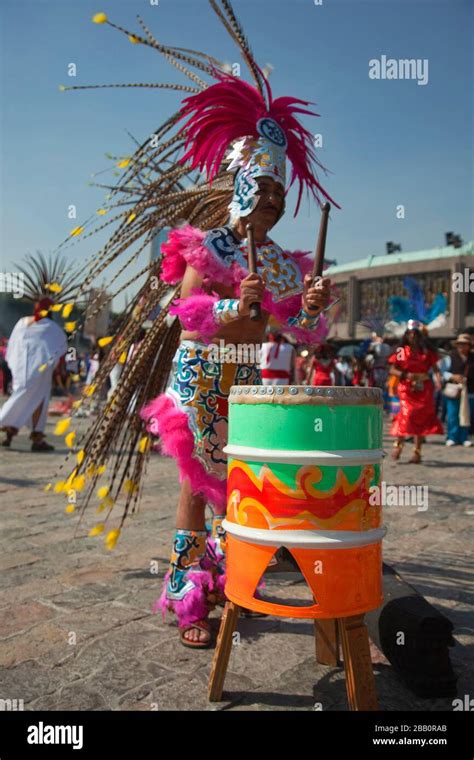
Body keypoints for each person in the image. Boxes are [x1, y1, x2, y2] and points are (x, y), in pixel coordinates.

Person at [0, 298, 68, 450]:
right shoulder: (52, 327)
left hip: (21, 370)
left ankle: (10, 434)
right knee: (38, 401)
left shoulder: (22, 322)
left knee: (20, 397)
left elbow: (13, 346)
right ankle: (36, 439)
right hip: (39, 372)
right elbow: (61, 347)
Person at [388, 320, 443, 463]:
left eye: (415, 334)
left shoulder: (426, 352)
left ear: (419, 336)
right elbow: (393, 369)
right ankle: (398, 445)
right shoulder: (401, 352)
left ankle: (417, 452)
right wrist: (406, 375)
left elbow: (436, 369)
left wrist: (438, 380)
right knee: (406, 414)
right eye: (409, 334)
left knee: (421, 418)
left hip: (423, 388)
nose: (412, 336)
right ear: (406, 335)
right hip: (407, 388)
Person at [442, 333, 474, 447]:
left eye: (465, 344)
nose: (463, 347)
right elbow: (442, 372)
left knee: (466, 415)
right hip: (454, 390)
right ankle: (452, 436)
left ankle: (464, 437)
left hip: (469, 391)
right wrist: (452, 376)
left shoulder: (472, 358)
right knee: (452, 415)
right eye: (460, 344)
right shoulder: (449, 357)